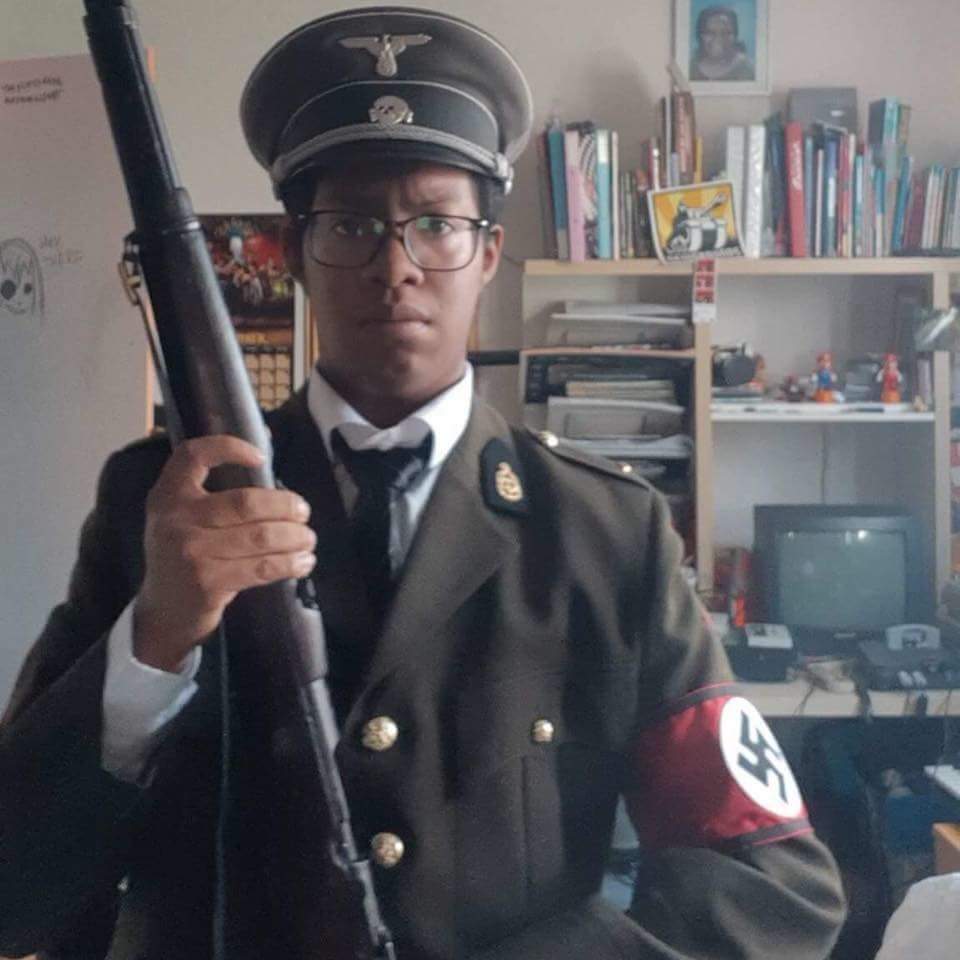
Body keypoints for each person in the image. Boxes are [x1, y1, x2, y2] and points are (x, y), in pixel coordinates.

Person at [0, 7, 845, 960]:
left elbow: (770, 886)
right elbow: (15, 888)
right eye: (352, 225)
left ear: (487, 253)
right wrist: (153, 643)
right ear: (294, 254)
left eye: (437, 224)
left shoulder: (608, 534)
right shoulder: (157, 508)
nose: (395, 267)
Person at [690, 5, 756, 82]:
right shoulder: (691, 66)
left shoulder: (748, 69)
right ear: (700, 36)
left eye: (726, 33)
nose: (718, 39)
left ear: (735, 36)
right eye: (710, 32)